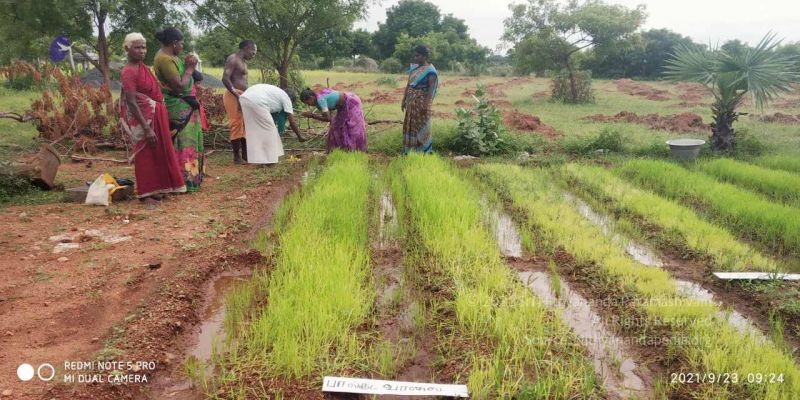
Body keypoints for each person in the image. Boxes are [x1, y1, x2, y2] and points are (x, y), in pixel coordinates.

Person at [119, 33, 186, 205]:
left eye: (143, 47)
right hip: (146, 119)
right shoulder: (129, 71)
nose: (141, 51)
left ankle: (159, 188)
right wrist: (146, 128)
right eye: (137, 47)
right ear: (127, 49)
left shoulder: (143, 67)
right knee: (145, 154)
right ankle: (146, 194)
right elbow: (132, 101)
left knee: (159, 152)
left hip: (157, 115)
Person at [152, 27, 204, 192]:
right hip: (178, 106)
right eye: (181, 43)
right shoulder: (165, 60)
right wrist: (189, 68)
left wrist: (191, 66)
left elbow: (189, 79)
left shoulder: (172, 57)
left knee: (190, 141)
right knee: (183, 142)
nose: (182, 46)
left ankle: (192, 177)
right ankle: (183, 180)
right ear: (174, 43)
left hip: (187, 104)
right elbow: (180, 86)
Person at [239, 84, 308, 165]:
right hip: (257, 100)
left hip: (243, 99)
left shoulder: (276, 95)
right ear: (291, 99)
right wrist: (299, 136)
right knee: (271, 132)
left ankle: (254, 158)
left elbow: (273, 118)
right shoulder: (286, 97)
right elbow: (292, 121)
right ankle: (269, 161)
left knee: (254, 131)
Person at [300, 88, 367, 152]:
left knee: (353, 126)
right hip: (343, 105)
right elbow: (328, 114)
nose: (309, 105)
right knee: (336, 126)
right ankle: (342, 149)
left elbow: (328, 118)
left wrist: (312, 115)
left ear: (311, 97)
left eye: (308, 103)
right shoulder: (318, 99)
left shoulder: (320, 100)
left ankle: (355, 149)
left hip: (351, 102)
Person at [222, 40, 257, 164]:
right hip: (233, 95)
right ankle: (237, 157)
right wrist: (236, 94)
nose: (254, 54)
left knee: (245, 125)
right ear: (247, 48)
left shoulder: (243, 62)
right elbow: (225, 78)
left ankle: (246, 156)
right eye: (253, 51)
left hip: (242, 95)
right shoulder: (233, 59)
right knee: (236, 124)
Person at [401, 44, 438, 154]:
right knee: (410, 125)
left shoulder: (431, 71)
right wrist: (404, 100)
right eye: (415, 56)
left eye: (418, 56)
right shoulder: (413, 68)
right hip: (411, 102)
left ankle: (423, 152)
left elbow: (430, 91)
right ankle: (410, 151)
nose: (415, 58)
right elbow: (408, 85)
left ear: (424, 56)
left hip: (421, 103)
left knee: (422, 126)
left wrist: (426, 106)